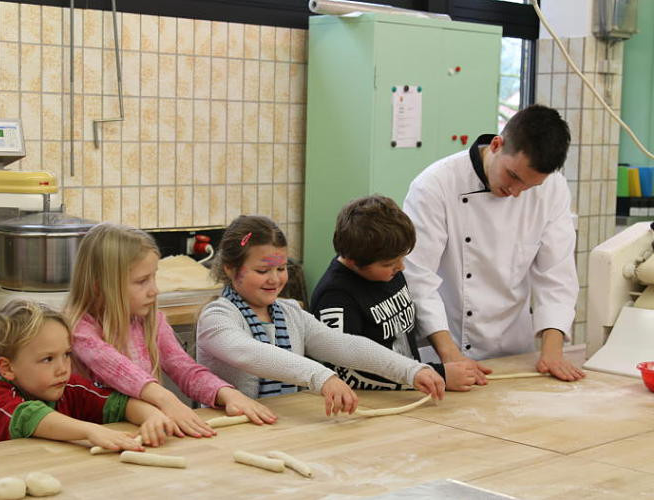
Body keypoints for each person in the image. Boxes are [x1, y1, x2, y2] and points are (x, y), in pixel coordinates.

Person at [402, 104, 585, 382]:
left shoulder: (553, 188)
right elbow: (418, 279)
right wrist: (450, 356)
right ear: (497, 145)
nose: (515, 192)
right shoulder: (435, 185)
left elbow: (556, 275)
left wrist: (552, 351)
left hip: (515, 355)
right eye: (513, 176)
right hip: (445, 353)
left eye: (529, 187)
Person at [196, 215, 445, 417]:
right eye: (263, 270)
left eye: (281, 268)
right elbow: (253, 353)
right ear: (230, 269)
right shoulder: (217, 318)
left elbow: (344, 345)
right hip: (234, 432)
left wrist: (411, 370)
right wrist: (321, 377)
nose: (275, 279)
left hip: (282, 424)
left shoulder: (290, 312)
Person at [66, 223, 276, 440]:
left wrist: (227, 393)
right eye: (141, 281)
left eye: (153, 277)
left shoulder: (151, 321)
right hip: (89, 441)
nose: (154, 290)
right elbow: (120, 370)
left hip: (144, 433)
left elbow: (184, 368)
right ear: (100, 287)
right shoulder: (80, 330)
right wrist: (166, 401)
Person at [310, 194, 477, 391]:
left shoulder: (387, 270)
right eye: (389, 263)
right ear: (354, 261)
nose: (401, 268)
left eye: (402, 258)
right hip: (370, 405)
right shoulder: (335, 296)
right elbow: (345, 373)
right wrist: (434, 375)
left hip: (408, 390)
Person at [0, 299, 174, 448]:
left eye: (66, 354)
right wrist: (90, 430)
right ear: (7, 368)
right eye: (48, 359)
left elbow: (119, 405)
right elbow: (31, 417)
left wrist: (152, 417)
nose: (63, 368)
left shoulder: (70, 387)